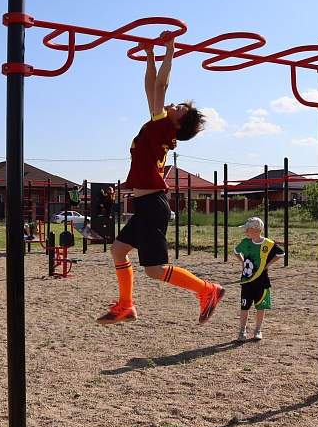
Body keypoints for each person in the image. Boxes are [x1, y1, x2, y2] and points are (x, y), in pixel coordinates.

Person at [96, 30, 225, 326]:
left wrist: (170, 49)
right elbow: (151, 88)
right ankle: (126, 305)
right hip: (146, 205)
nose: (172, 104)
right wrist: (150, 54)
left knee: (154, 270)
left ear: (177, 124)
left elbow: (161, 85)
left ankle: (208, 289)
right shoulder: (158, 126)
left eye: (179, 108)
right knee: (118, 250)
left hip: (153, 205)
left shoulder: (163, 127)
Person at [233, 217, 284, 342]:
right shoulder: (245, 242)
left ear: (257, 231)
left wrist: (268, 264)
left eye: (248, 229)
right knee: (244, 306)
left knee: (260, 306)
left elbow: (281, 254)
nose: (246, 232)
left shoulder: (268, 244)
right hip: (247, 281)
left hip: (262, 281)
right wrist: (242, 262)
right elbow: (236, 251)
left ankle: (258, 329)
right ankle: (242, 330)